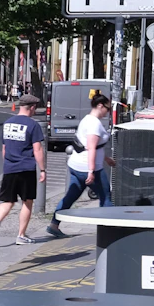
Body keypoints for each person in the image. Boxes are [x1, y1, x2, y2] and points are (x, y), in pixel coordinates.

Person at [48, 93, 113, 237]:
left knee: (71, 196)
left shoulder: (87, 119)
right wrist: (91, 171)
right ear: (100, 106)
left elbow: (90, 146)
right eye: (107, 109)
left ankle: (54, 224)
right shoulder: (94, 124)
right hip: (89, 167)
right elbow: (90, 147)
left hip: (76, 165)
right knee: (106, 196)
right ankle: (108, 230)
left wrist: (106, 158)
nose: (107, 112)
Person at [0, 93, 47, 246]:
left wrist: (7, 164)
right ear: (32, 107)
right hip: (26, 168)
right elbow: (38, 150)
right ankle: (21, 235)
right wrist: (42, 170)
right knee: (27, 202)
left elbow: (4, 148)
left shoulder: (7, 123)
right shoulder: (33, 125)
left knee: (7, 200)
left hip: (9, 168)